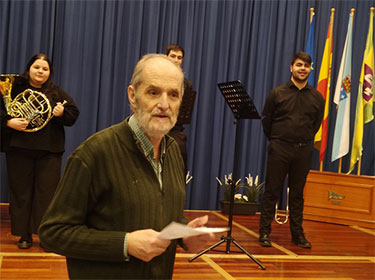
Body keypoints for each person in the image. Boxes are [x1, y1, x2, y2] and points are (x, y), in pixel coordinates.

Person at [39, 54, 213, 279]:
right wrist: (125, 244)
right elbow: (53, 233)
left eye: (173, 94)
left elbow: (159, 213)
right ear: (132, 96)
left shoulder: (173, 152)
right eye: (153, 92)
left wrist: (184, 233)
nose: (164, 104)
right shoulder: (93, 154)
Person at [0, 53, 79, 250]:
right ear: (29, 69)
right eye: (37, 67)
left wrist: (61, 114)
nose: (40, 72)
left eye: (45, 69)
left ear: (49, 73)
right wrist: (8, 121)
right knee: (21, 194)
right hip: (19, 149)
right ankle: (24, 235)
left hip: (49, 152)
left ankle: (44, 235)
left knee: (47, 195)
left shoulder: (56, 92)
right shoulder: (15, 88)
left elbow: (73, 114)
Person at [258, 51, 324, 249]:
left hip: (303, 151)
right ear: (291, 68)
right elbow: (266, 121)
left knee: (297, 194)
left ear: (310, 69)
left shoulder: (317, 97)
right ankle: (264, 232)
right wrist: (278, 140)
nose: (302, 69)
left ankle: (297, 234)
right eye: (298, 65)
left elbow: (316, 124)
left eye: (306, 65)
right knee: (272, 190)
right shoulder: (277, 93)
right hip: (280, 148)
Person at [166, 44, 195, 173]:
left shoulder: (187, 84)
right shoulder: (155, 78)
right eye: (173, 56)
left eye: (179, 57)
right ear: (166, 57)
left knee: (180, 167)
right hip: (155, 129)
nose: (176, 60)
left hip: (175, 129)